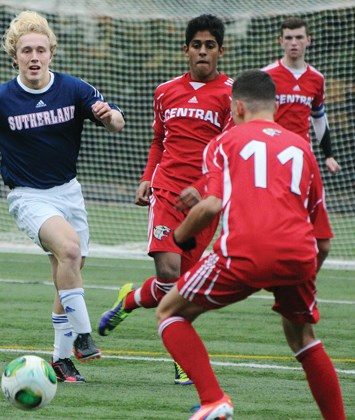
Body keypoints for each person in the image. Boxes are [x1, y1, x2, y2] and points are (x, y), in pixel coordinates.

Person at [0, 10, 125, 383]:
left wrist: (108, 115)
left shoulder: (75, 89)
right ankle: (83, 336)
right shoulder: (1, 98)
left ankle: (61, 360)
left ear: (52, 52)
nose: (34, 57)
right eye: (25, 51)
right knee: (68, 251)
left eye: (40, 49)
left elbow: (118, 122)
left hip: (69, 192)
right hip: (28, 197)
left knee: (68, 270)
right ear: (14, 56)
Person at [156, 70, 345, 420]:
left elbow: (211, 205)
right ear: (275, 106)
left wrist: (181, 236)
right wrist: (300, 275)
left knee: (170, 313)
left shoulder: (224, 143)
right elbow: (325, 242)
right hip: (299, 255)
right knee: (303, 338)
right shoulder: (302, 148)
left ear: (237, 107)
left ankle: (214, 399)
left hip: (244, 251)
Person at [99, 14, 233, 385]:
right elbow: (159, 140)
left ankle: (129, 299)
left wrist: (208, 189)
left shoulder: (231, 95)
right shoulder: (165, 91)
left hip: (205, 201)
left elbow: (229, 151)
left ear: (221, 51)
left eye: (209, 46)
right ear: (185, 49)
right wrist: (147, 179)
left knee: (185, 287)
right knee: (170, 274)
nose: (202, 51)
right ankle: (181, 357)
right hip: (168, 190)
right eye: (196, 45)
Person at [262, 17, 341, 175]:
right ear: (281, 41)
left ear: (308, 40)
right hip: (271, 151)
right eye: (289, 38)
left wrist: (329, 155)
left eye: (299, 37)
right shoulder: (266, 76)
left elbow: (318, 117)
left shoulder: (317, 78)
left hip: (302, 151)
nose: (293, 42)